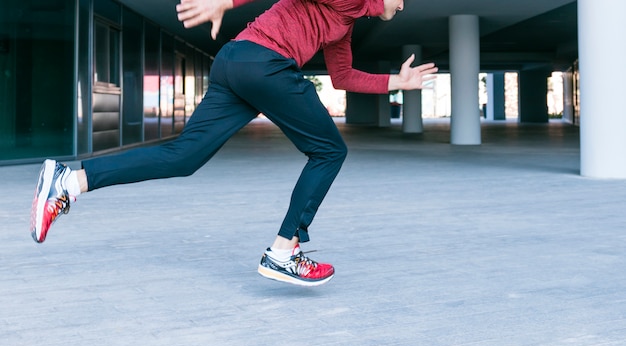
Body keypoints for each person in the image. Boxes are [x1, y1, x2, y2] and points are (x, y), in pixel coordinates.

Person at [30, 0, 438, 286]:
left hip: (236, 62)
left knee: (184, 157)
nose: (402, 6)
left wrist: (395, 83)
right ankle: (284, 252)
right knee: (330, 150)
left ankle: (70, 181)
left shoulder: (344, 22)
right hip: (264, 63)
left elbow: (343, 76)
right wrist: (226, 1)